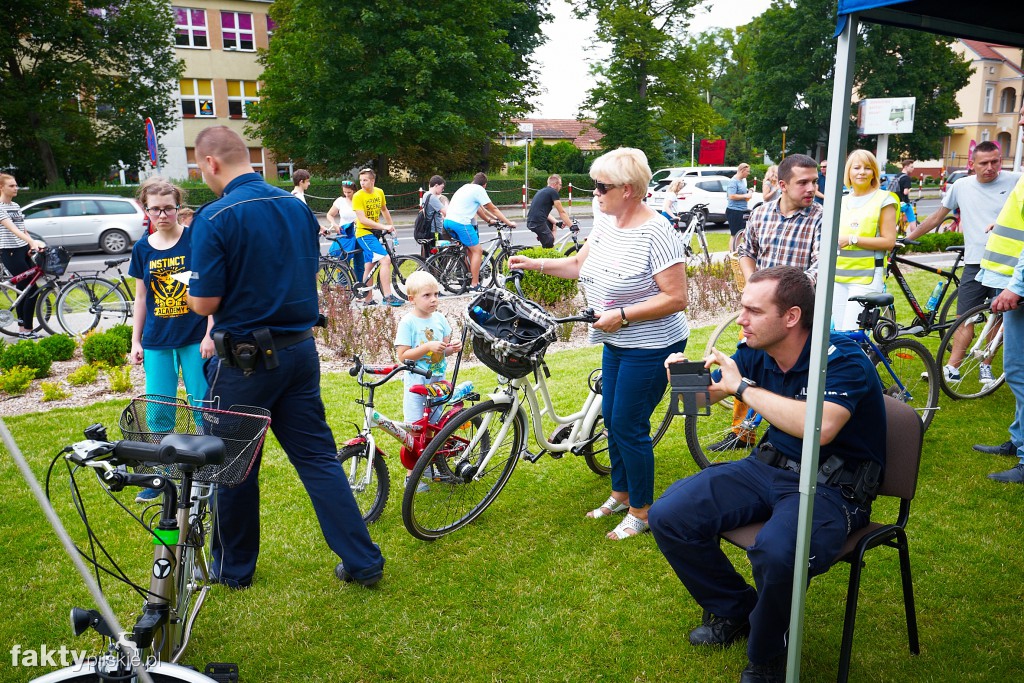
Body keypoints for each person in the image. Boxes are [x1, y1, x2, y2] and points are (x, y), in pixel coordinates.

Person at [649, 266, 886, 683]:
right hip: (767, 468)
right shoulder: (759, 347)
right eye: (743, 308)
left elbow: (820, 426)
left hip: (831, 488)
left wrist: (744, 389)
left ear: (791, 317)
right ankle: (736, 609)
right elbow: (709, 392)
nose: (741, 319)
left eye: (752, 310)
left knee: (778, 553)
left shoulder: (843, 359)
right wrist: (681, 378)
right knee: (670, 514)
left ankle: (765, 656)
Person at [186, 125, 385, 589]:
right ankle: (363, 561)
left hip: (246, 363)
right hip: (298, 352)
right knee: (318, 459)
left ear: (211, 164)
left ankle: (234, 571)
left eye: (202, 169)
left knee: (233, 468)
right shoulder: (296, 209)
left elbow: (204, 304)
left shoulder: (215, 218)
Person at [509, 147, 689, 540]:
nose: (594, 193)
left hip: (652, 344)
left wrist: (622, 315)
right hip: (616, 339)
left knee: (628, 424)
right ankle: (621, 494)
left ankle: (642, 511)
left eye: (601, 186)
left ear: (628, 189)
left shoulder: (658, 232)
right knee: (614, 419)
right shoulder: (607, 222)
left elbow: (676, 298)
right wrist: (534, 262)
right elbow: (577, 265)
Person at [711, 154, 823, 453]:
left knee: (797, 375)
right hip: (761, 311)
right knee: (745, 366)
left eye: (814, 181)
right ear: (783, 185)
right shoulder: (761, 213)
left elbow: (819, 266)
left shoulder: (820, 217)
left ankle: (788, 432)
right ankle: (741, 433)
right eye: (804, 182)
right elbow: (747, 251)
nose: (811, 188)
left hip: (798, 315)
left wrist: (783, 295)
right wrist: (753, 286)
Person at [128, 178, 214, 503]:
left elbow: (212, 288)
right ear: (146, 210)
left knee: (202, 404)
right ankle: (161, 477)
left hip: (195, 338)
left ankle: (208, 471)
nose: (162, 214)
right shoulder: (143, 248)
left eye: (168, 208)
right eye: (155, 209)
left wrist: (210, 333)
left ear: (178, 207)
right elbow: (140, 298)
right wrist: (136, 341)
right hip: (157, 341)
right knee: (158, 412)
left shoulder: (196, 241)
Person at [906, 141, 1020, 383]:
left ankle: (985, 365)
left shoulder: (1016, 181)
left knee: (998, 316)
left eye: (995, 162)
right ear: (972, 164)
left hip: (1006, 263)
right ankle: (952, 368)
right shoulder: (961, 185)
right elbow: (938, 217)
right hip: (974, 262)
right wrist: (906, 240)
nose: (990, 168)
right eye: (984, 163)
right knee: (964, 315)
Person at [973, 100, 1024, 483]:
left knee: (1019, 372)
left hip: (1018, 290)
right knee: (1017, 370)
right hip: (1014, 286)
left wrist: (1016, 287)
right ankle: (1018, 439)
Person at [831, 149, 898, 331]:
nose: (861, 172)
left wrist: (853, 239)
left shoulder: (884, 199)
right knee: (839, 333)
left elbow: (889, 242)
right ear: (848, 172)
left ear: (874, 173)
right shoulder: (841, 201)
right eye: (856, 167)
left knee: (851, 333)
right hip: (839, 276)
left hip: (866, 277)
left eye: (867, 168)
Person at [444, 173, 517, 291]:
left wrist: (489, 220)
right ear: (485, 185)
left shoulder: (466, 187)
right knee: (478, 250)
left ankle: (467, 279)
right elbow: (493, 208)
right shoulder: (479, 190)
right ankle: (474, 284)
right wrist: (508, 223)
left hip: (448, 222)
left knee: (469, 250)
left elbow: (478, 208)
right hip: (461, 223)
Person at [0, 173, 45, 338]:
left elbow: (23, 229)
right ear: (1, 187)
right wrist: (32, 243)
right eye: (11, 186)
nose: (15, 188)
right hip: (9, 251)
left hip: (22, 249)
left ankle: (23, 328)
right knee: (32, 289)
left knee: (24, 289)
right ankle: (27, 329)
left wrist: (31, 243)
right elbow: (13, 229)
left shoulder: (16, 206)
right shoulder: (0, 207)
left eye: (16, 185)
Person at [352, 168, 402, 307]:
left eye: (365, 180)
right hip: (364, 233)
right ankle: (387, 296)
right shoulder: (358, 196)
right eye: (361, 180)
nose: (362, 183)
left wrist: (391, 225)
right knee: (385, 260)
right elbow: (362, 220)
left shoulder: (379, 192)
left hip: (374, 232)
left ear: (372, 180)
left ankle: (367, 300)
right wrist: (383, 226)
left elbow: (384, 209)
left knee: (369, 266)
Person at [325, 180, 363, 277]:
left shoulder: (359, 199)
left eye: (349, 192)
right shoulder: (340, 201)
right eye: (344, 192)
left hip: (358, 232)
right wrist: (334, 224)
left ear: (354, 190)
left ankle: (360, 286)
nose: (346, 194)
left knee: (359, 261)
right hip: (344, 233)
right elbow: (329, 215)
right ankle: (342, 287)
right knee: (343, 260)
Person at [526, 174, 573, 248]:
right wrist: (572, 226)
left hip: (532, 221)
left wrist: (557, 223)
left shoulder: (542, 191)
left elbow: (544, 213)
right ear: (555, 184)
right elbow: (562, 212)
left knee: (553, 226)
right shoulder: (553, 192)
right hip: (538, 222)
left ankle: (547, 250)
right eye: (560, 185)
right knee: (549, 242)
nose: (560, 187)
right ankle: (544, 256)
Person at [419, 175, 447, 260]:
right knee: (441, 256)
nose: (443, 190)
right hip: (435, 231)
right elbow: (445, 212)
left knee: (431, 256)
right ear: (436, 185)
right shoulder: (433, 197)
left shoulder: (426, 195)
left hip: (428, 230)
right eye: (442, 187)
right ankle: (437, 272)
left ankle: (431, 270)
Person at [726, 164, 753, 251]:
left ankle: (736, 251)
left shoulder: (743, 181)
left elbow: (743, 194)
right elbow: (731, 196)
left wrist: (749, 191)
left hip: (742, 210)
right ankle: (732, 253)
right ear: (742, 170)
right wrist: (746, 195)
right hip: (734, 211)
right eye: (747, 171)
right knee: (734, 234)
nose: (748, 173)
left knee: (740, 234)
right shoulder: (733, 181)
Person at [893, 159, 917, 232]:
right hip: (904, 203)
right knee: (912, 219)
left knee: (897, 220)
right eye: (911, 167)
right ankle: (914, 236)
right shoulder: (906, 178)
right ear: (906, 167)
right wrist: (910, 189)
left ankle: (900, 230)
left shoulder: (897, 176)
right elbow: (905, 192)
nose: (913, 168)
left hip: (896, 203)